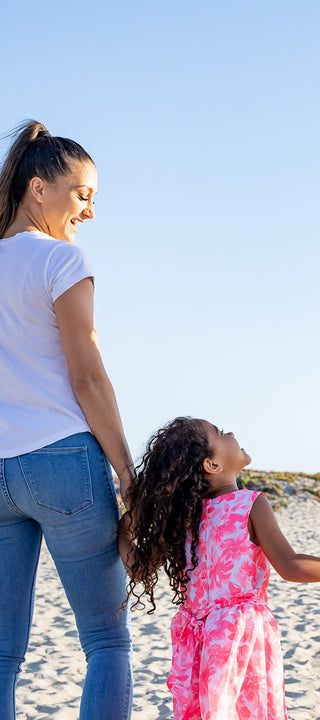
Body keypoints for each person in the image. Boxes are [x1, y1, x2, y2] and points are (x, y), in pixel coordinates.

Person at [0, 121, 135, 719]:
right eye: (83, 194)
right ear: (38, 188)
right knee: (106, 640)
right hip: (63, 462)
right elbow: (88, 377)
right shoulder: (62, 259)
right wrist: (128, 473)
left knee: (2, 655)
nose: (90, 211)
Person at [122, 416, 320, 720]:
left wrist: (121, 533)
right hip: (238, 637)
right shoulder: (250, 504)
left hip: (198, 643)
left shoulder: (185, 519)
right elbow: (291, 567)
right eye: (220, 434)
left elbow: (138, 571)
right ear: (212, 465)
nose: (231, 432)